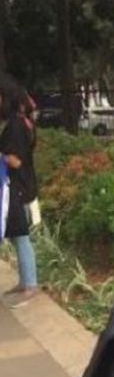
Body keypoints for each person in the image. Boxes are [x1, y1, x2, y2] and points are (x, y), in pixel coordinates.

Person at [0, 80, 40, 308]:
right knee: (17, 235)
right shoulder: (22, 123)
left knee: (21, 236)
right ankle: (25, 280)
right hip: (21, 185)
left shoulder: (16, 125)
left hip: (17, 187)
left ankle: (31, 284)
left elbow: (15, 160)